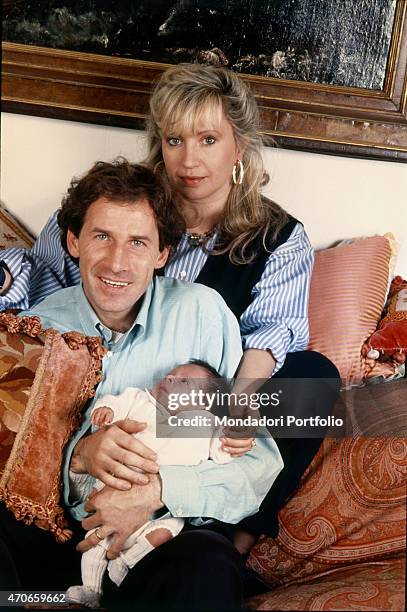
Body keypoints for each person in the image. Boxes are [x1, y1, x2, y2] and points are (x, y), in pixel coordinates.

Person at [1, 63, 339, 588]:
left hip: (212, 391)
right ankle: (57, 589)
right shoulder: (123, 208)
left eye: (208, 139)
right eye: (175, 140)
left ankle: (237, 535)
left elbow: (272, 332)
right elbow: (49, 293)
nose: (190, 159)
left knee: (312, 376)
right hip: (99, 390)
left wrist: (239, 404)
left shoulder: (267, 245)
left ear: (240, 148)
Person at [0, 158, 283, 610]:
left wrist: (158, 491)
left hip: (158, 540)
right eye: (101, 236)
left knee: (209, 561)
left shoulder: (203, 314)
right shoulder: (37, 329)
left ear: (162, 253)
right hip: (60, 543)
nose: (117, 262)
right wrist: (79, 457)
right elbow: (15, 465)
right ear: (73, 241)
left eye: (137, 242)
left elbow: (257, 464)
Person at [67, 360, 277, 608]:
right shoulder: (139, 400)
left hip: (165, 511)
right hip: (106, 495)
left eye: (184, 381)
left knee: (169, 530)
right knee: (95, 545)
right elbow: (112, 405)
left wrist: (235, 437)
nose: (170, 379)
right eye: (170, 375)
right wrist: (104, 413)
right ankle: (90, 591)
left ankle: (124, 566)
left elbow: (224, 453)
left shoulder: (205, 425)